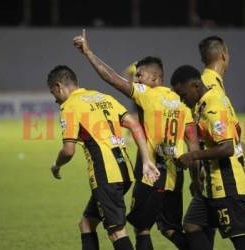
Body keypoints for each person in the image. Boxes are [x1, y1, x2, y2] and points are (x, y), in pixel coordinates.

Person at [73, 30, 199, 250]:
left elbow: (110, 77)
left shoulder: (146, 94)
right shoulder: (181, 103)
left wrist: (88, 53)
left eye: (139, 75)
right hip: (175, 176)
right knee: (170, 228)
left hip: (151, 175)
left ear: (155, 78)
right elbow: (193, 144)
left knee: (142, 228)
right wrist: (196, 179)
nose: (136, 79)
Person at [47, 65, 160, 250]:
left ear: (59, 86)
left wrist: (56, 165)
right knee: (86, 223)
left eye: (53, 93)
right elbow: (135, 125)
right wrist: (146, 160)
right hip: (124, 172)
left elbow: (68, 150)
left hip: (105, 175)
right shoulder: (103, 98)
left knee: (116, 232)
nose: (55, 100)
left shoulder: (70, 106)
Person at [171, 65, 245, 250]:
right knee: (191, 224)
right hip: (211, 184)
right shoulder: (200, 105)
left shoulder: (213, 106)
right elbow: (236, 129)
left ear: (194, 86)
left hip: (227, 184)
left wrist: (193, 155)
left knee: (240, 238)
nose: (182, 100)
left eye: (183, 94)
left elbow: (226, 148)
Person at [198, 35, 245, 247]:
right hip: (222, 173)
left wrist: (237, 142)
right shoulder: (207, 87)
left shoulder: (214, 83)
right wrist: (199, 165)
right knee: (228, 228)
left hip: (232, 168)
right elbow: (197, 127)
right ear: (224, 55)